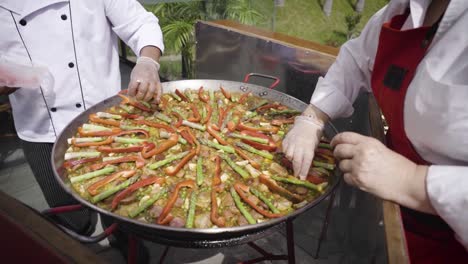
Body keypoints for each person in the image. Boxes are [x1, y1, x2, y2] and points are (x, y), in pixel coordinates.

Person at [282, 0, 468, 263]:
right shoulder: (403, 9)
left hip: (448, 245)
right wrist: (313, 117)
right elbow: (355, 60)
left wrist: (414, 182)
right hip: (384, 201)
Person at [0, 0, 164, 258]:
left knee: (123, 200)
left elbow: (141, 23)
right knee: (71, 218)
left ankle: (124, 241)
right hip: (41, 128)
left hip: (108, 120)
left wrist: (147, 62)